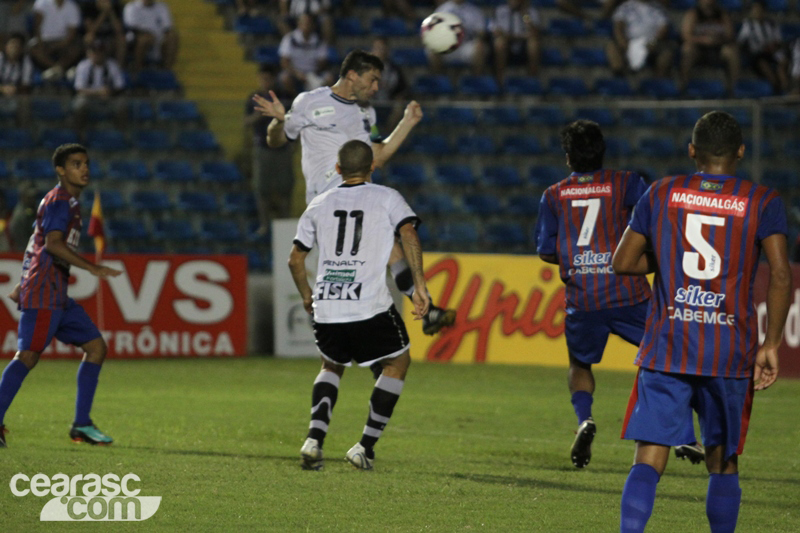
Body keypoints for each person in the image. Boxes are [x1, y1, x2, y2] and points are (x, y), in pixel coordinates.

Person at [613, 111, 791, 532]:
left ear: (692, 150)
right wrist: (770, 344)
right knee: (722, 462)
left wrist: (668, 260)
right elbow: (781, 275)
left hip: (667, 343)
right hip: (729, 352)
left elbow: (623, 261)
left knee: (649, 457)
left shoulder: (661, 192)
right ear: (741, 152)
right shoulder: (763, 200)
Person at [253, 49, 457, 340]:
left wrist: (407, 123)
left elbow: (379, 156)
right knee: (372, 262)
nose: (376, 88)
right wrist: (278, 120)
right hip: (328, 202)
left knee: (391, 250)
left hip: (360, 195)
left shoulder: (366, 113)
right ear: (352, 75)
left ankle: (422, 312)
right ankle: (359, 334)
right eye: (372, 80)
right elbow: (276, 142)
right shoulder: (309, 102)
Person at [535, 120, 703, 469]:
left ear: (567, 158)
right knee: (665, 358)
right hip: (627, 292)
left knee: (579, 364)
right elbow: (654, 220)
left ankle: (585, 419)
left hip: (583, 297)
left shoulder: (553, 195)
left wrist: (577, 258)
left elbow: (546, 251)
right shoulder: (627, 182)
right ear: (602, 151)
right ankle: (685, 435)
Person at [289, 140, 429, 470]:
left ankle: (313, 441)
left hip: (328, 306)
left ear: (337, 170)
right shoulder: (386, 197)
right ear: (372, 169)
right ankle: (364, 447)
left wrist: (308, 296)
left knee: (330, 365)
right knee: (397, 363)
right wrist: (420, 285)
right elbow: (408, 232)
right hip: (368, 306)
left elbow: (295, 259)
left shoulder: (319, 203)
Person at [0, 144, 123, 448]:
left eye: (86, 163)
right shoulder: (60, 202)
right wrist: (92, 268)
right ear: (60, 170)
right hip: (44, 291)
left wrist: (20, 282)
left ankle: (81, 425)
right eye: (76, 164)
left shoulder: (65, 202)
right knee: (27, 355)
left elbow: (36, 241)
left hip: (55, 293)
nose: (84, 169)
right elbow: (53, 244)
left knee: (96, 348)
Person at [244, 64, 294, 234]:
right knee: (262, 189)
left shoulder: (285, 97)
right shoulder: (254, 99)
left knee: (285, 189)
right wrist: (258, 116)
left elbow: (294, 122)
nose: (265, 82)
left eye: (268, 79)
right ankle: (264, 224)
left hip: (282, 149)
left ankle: (285, 224)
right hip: (262, 149)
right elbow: (246, 122)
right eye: (262, 78)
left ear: (274, 79)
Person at [679, 0, 738, 95]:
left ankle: (733, 88)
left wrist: (717, 40)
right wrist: (704, 40)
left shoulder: (722, 14)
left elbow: (730, 35)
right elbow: (686, 35)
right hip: (699, 49)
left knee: (731, 51)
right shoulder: (693, 14)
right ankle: (683, 87)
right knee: (688, 49)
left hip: (718, 48)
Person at [606, 0, 673, 78]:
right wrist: (625, 44)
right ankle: (619, 76)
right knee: (612, 46)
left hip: (651, 43)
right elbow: (618, 26)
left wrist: (653, 43)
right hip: (629, 41)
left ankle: (658, 81)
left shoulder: (658, 8)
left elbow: (664, 28)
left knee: (667, 52)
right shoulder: (625, 7)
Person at [72, 40, 126, 132]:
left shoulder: (112, 65)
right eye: (94, 52)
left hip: (108, 98)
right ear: (89, 53)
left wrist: (109, 92)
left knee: (121, 104)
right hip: (89, 97)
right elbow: (79, 89)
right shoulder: (83, 65)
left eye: (100, 51)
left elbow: (120, 86)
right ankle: (79, 133)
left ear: (104, 53)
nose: (97, 54)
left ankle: (121, 133)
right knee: (79, 104)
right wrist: (98, 92)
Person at [737, 0, 788, 94]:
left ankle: (785, 87)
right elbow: (740, 42)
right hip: (757, 55)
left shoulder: (772, 24)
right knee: (762, 63)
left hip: (772, 52)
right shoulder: (748, 25)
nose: (757, 12)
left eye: (760, 10)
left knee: (783, 61)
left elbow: (779, 41)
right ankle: (776, 86)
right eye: (755, 10)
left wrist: (773, 46)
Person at [277, 12, 334, 97]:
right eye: (303, 22)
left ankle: (320, 101)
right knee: (285, 78)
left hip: (313, 73)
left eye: (309, 23)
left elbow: (322, 62)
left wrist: (311, 75)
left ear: (313, 25)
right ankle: (296, 99)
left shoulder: (319, 41)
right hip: (295, 73)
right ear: (299, 24)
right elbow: (284, 62)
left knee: (329, 78)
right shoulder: (289, 39)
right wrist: (297, 74)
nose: (306, 25)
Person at [430, 0, 488, 76]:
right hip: (447, 46)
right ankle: (438, 80)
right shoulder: (442, 9)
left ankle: (476, 80)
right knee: (432, 46)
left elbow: (481, 32)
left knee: (480, 46)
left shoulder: (474, 10)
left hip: (466, 45)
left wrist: (465, 30)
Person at [29, 0, 82, 81]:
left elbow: (71, 34)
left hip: (63, 41)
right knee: (32, 47)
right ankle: (59, 69)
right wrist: (41, 42)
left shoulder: (72, 6)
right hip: (44, 40)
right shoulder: (42, 3)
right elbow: (37, 27)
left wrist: (56, 46)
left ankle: (54, 71)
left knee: (77, 47)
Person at [490, 0, 541, 84]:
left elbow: (535, 33)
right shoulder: (500, 10)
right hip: (506, 45)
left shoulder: (531, 12)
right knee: (500, 43)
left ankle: (532, 80)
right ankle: (499, 79)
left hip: (523, 47)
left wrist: (525, 16)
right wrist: (519, 36)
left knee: (534, 43)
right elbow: (497, 32)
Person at [123, 0, 179, 72]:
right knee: (145, 39)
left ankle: (166, 71)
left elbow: (167, 27)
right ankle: (137, 71)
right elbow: (131, 28)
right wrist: (148, 34)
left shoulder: (162, 7)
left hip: (158, 38)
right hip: (136, 38)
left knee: (173, 37)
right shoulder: (131, 7)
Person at [81, 0, 127, 67]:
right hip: (95, 39)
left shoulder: (115, 6)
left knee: (121, 39)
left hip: (109, 40)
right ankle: (90, 68)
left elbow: (118, 29)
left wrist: (111, 12)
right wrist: (104, 13)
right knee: (88, 38)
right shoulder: (89, 6)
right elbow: (91, 30)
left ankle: (118, 69)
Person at [0, 33, 34, 97]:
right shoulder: (1, 58)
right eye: (11, 44)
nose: (13, 48)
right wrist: (2, 89)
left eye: (17, 46)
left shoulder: (25, 61)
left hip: (17, 93)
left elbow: (26, 83)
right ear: (6, 46)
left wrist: (15, 89)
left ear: (21, 49)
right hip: (1, 90)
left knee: (25, 94)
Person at [7, 183, 39, 252]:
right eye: (29, 197)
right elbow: (21, 243)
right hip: (24, 252)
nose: (32, 200)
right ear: (22, 196)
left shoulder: (33, 209)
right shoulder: (19, 216)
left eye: (34, 197)